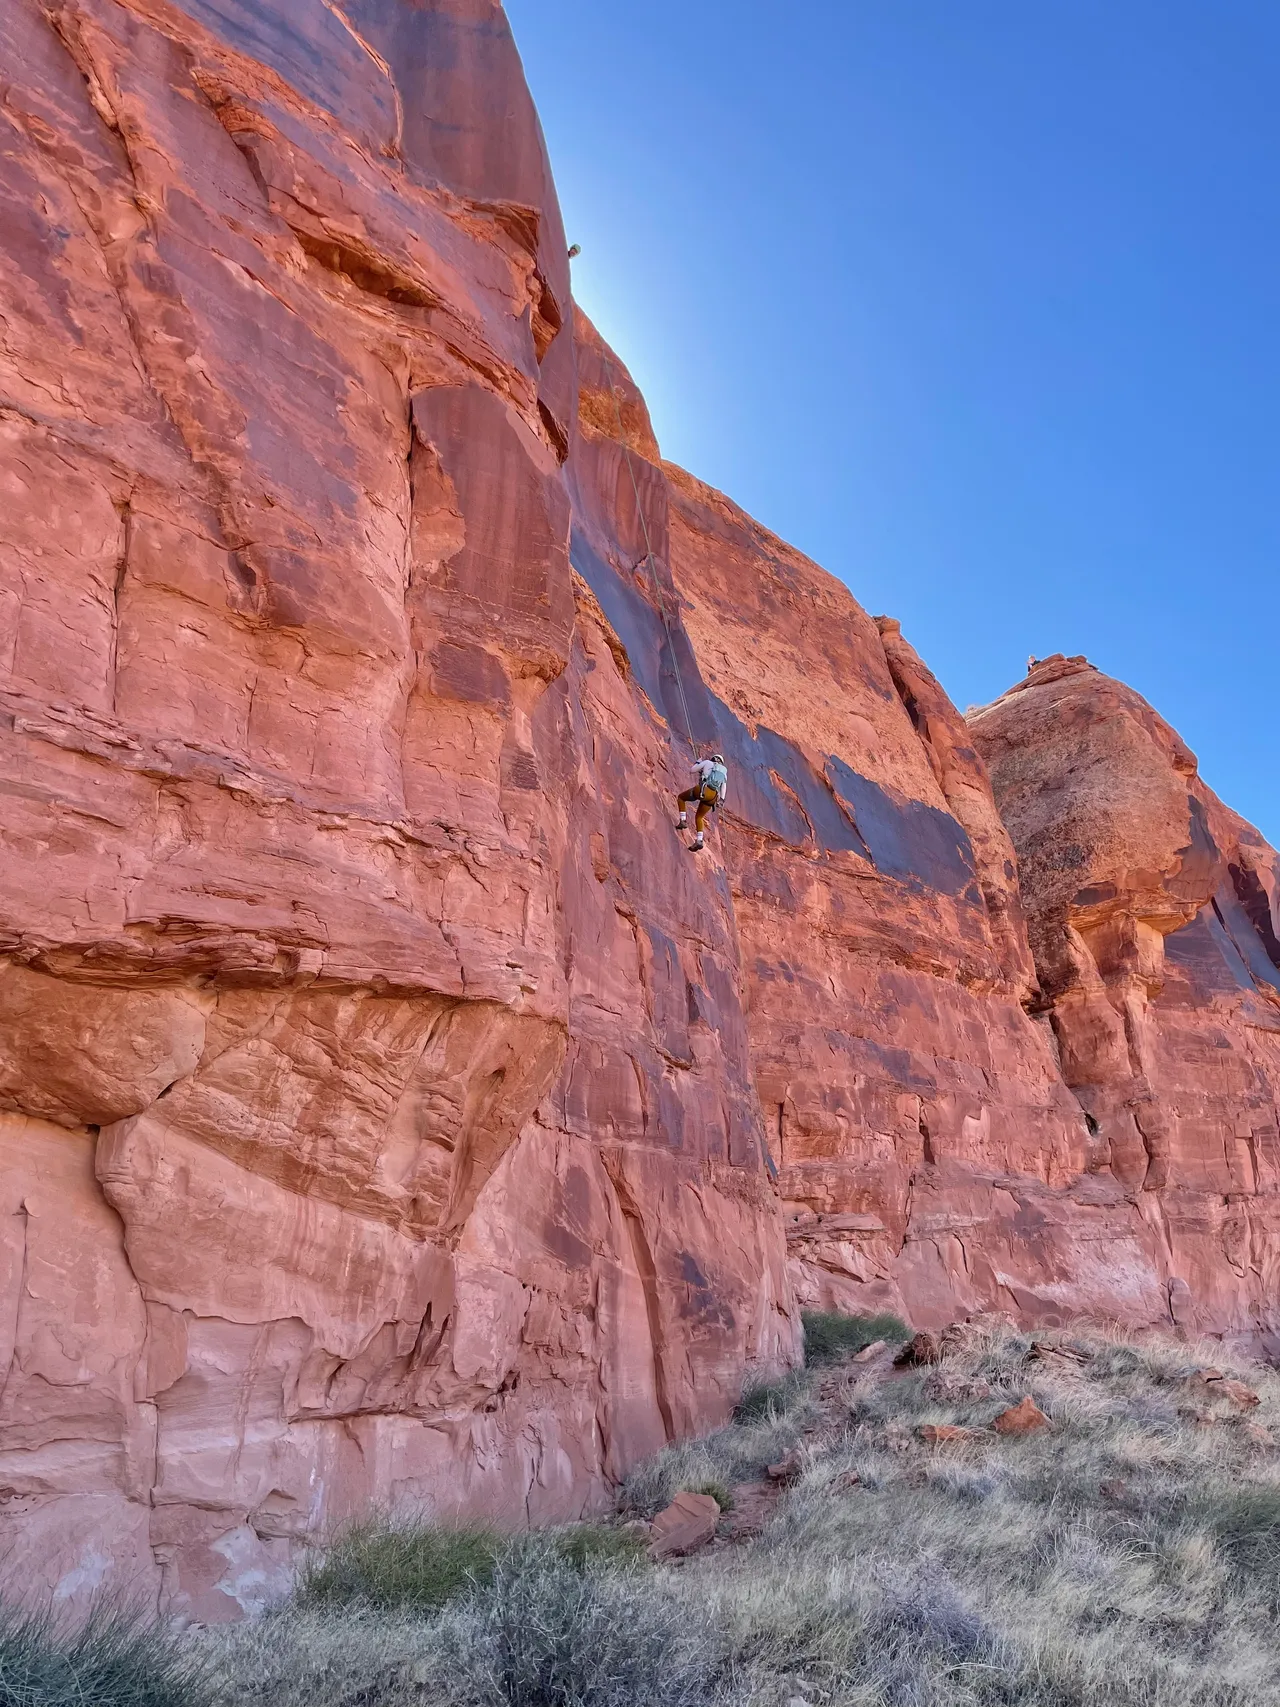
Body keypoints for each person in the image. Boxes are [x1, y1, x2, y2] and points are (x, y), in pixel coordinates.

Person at [676, 752, 729, 852]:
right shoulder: (723, 773)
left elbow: (692, 770)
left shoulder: (708, 763)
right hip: (712, 797)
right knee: (699, 817)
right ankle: (699, 840)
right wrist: (722, 800)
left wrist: (698, 763)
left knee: (681, 798)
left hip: (703, 790)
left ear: (713, 759)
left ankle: (683, 821)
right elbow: (723, 787)